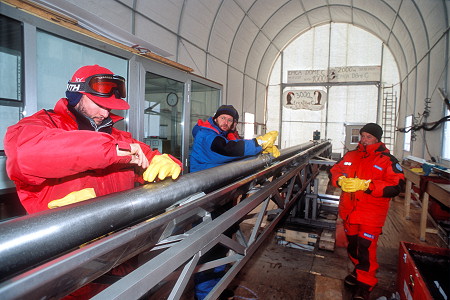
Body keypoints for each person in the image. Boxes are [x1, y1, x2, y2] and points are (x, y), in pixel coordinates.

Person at [4, 64, 182, 297]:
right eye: (100, 105)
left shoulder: (119, 138)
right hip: (64, 266)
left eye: (111, 108)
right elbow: (24, 155)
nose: (106, 114)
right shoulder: (41, 126)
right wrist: (111, 149)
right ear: (77, 95)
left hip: (119, 258)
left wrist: (168, 162)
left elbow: (150, 159)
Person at [189, 105, 279, 299]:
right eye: (223, 118)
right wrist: (258, 143)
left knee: (223, 242)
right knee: (209, 247)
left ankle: (216, 288)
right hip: (207, 201)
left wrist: (260, 153)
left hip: (221, 198)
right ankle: (204, 294)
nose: (226, 123)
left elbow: (236, 148)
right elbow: (227, 150)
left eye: (230, 121)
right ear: (215, 118)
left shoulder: (224, 135)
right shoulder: (207, 135)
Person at [329, 123, 405, 300]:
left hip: (370, 214)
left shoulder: (387, 160)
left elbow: (396, 186)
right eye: (362, 136)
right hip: (349, 211)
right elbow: (335, 169)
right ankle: (359, 271)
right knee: (353, 246)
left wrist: (367, 185)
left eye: (368, 137)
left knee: (366, 249)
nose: (364, 139)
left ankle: (366, 284)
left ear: (377, 139)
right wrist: (340, 180)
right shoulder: (351, 155)